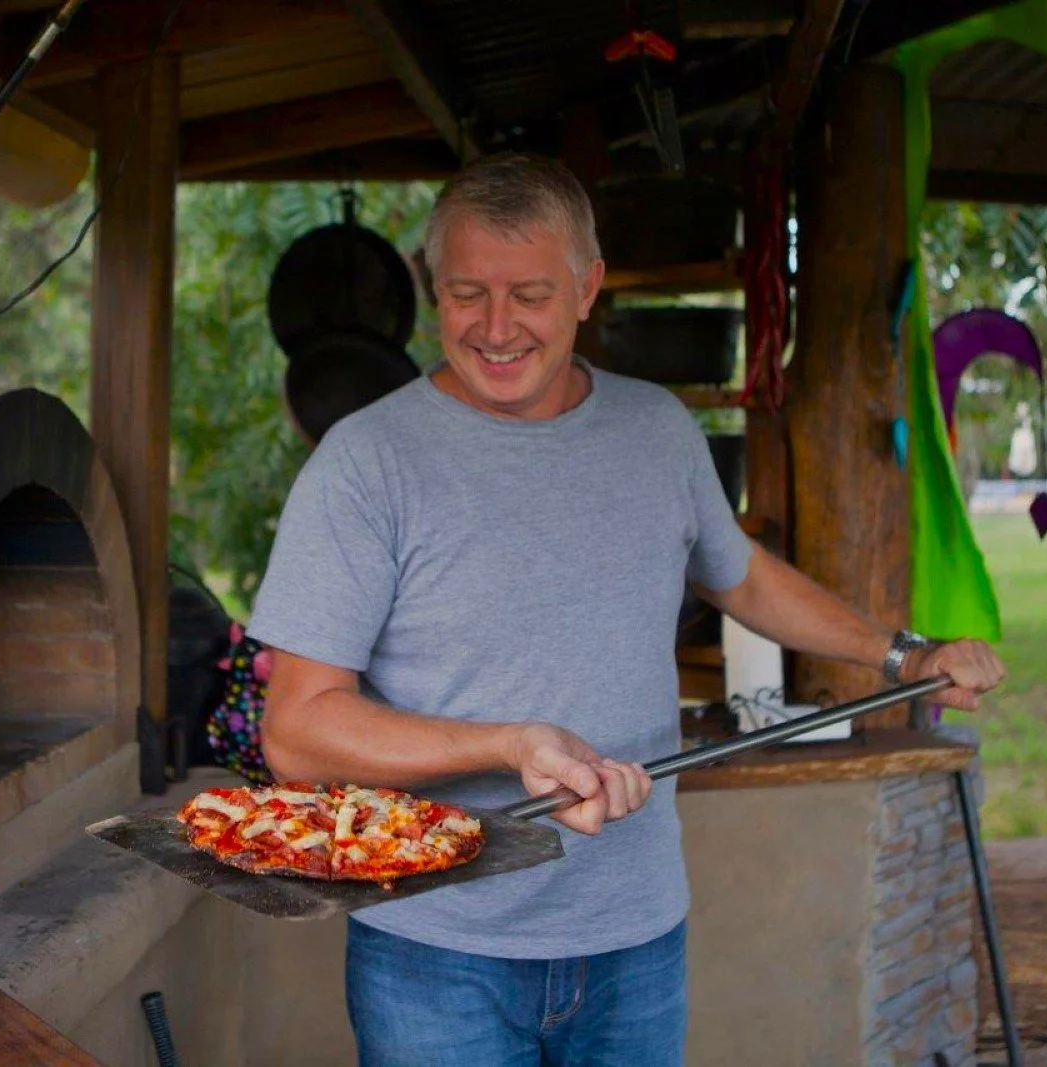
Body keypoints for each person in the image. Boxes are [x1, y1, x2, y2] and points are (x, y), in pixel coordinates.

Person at [248, 152, 1006, 1067]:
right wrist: (508, 743)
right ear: (428, 284)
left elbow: (745, 576)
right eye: (465, 293)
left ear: (587, 287)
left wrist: (905, 656)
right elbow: (297, 729)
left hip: (635, 936)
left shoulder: (656, 431)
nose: (495, 328)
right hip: (434, 945)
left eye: (528, 293)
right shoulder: (367, 462)